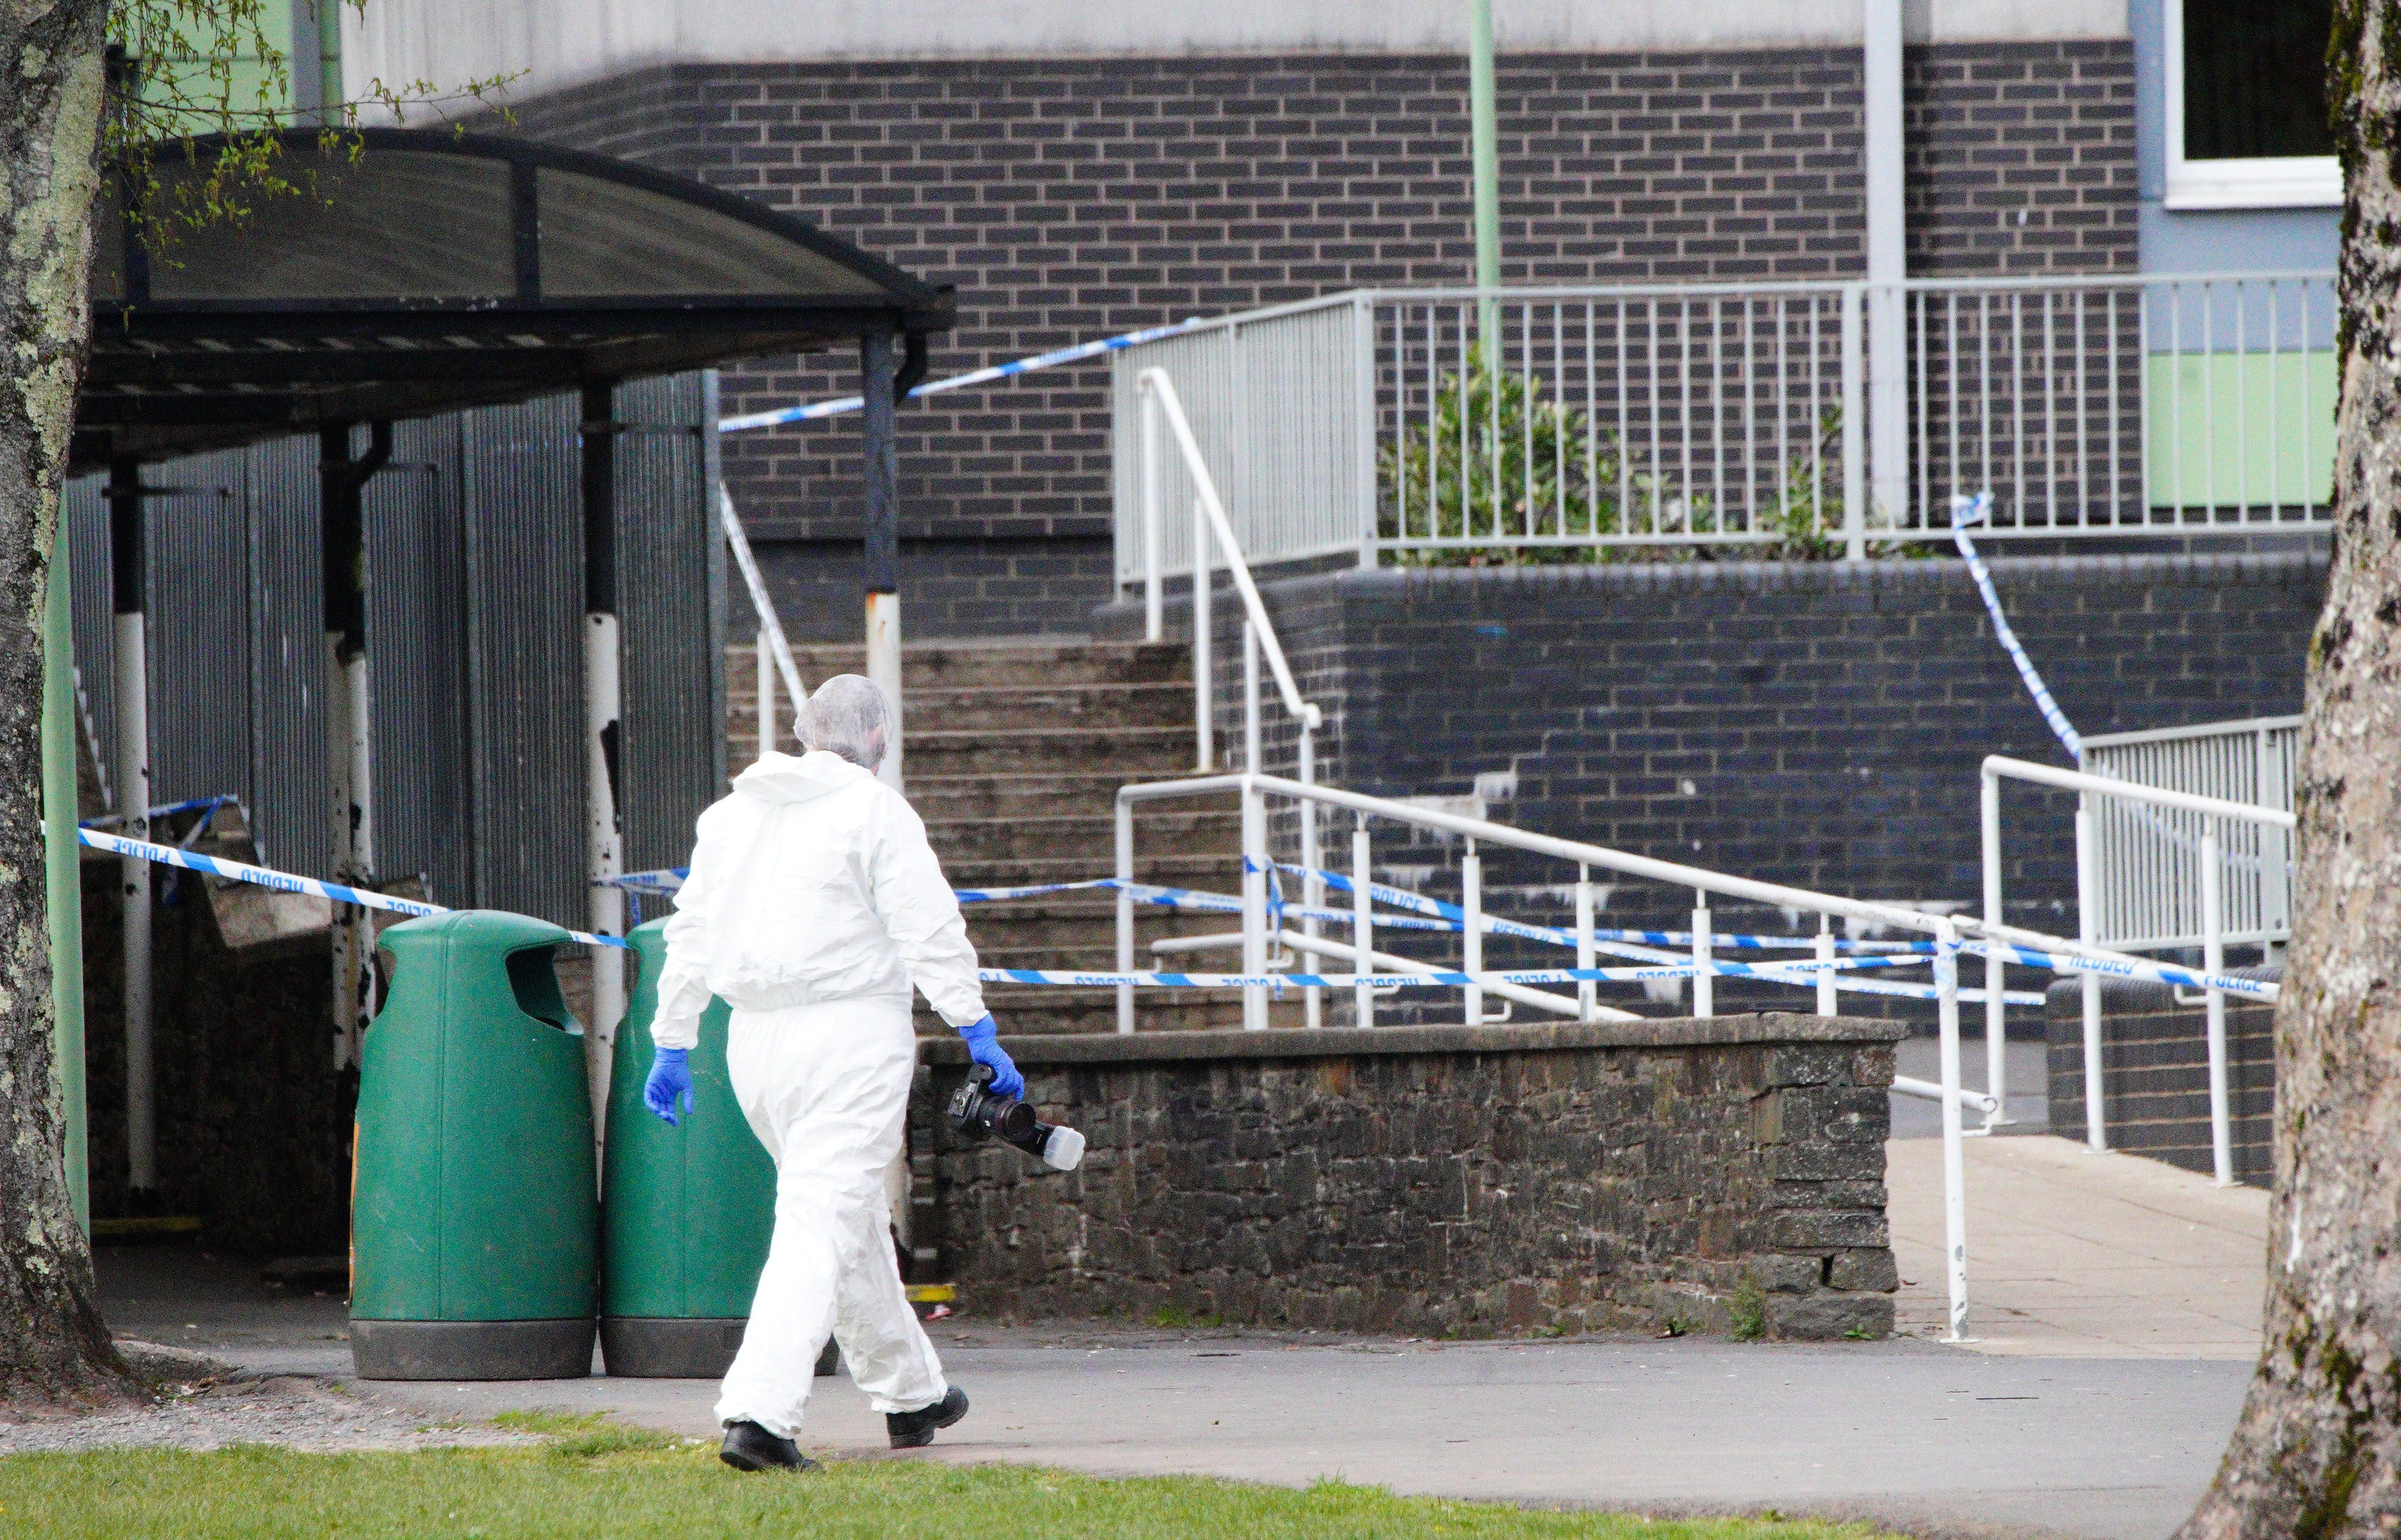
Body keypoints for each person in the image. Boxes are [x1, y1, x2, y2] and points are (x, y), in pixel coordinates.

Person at [639, 673, 1022, 1473]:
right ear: (877, 739)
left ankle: (911, 1391)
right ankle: (759, 1414)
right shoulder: (876, 811)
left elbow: (692, 930)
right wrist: (975, 1025)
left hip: (754, 1046)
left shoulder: (733, 816)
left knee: (841, 1213)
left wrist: (673, 1039)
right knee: (820, 1218)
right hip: (850, 1034)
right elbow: (929, 925)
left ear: (805, 730)